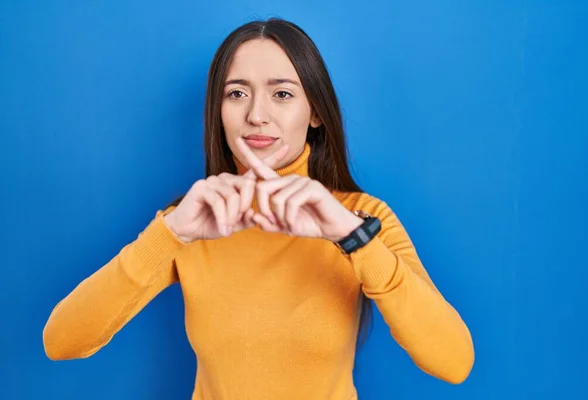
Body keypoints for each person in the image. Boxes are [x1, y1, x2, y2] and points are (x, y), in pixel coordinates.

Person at [43, 17, 474, 399]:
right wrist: (168, 234)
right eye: (236, 94)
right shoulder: (191, 221)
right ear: (219, 113)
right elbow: (61, 341)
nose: (256, 115)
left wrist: (354, 239)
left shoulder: (361, 217)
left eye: (282, 93)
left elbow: (453, 363)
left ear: (316, 113)